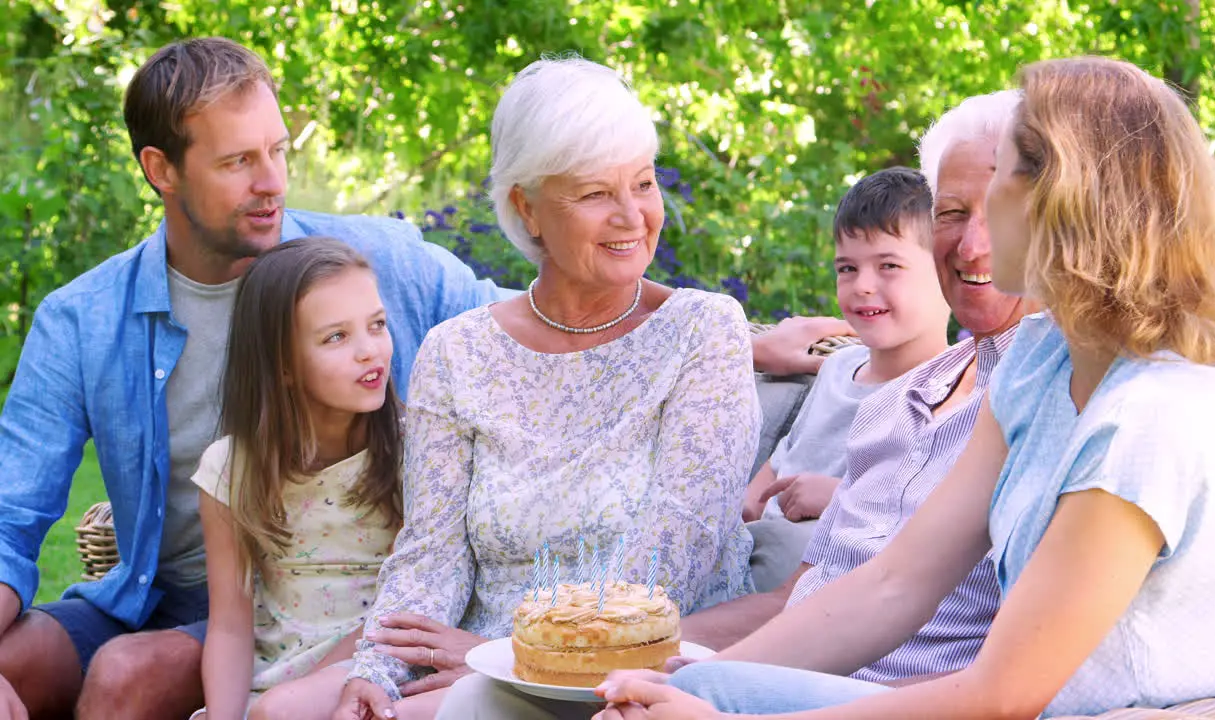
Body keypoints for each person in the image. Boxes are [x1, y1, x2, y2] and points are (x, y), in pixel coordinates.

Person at [595, 56, 1215, 720]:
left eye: (999, 184)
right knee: (676, 697)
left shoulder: (1151, 416)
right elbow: (898, 582)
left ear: (1063, 199)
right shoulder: (1043, 359)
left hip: (1150, 714)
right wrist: (699, 680)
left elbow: (999, 696)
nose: (966, 233)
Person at [437, 90, 1034, 720]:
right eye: (952, 212)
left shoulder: (1056, 393)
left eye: (999, 215)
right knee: (487, 699)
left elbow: (1011, 681)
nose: (971, 246)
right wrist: (685, 678)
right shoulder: (898, 403)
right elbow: (825, 595)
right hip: (801, 681)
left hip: (903, 701)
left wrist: (712, 701)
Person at [0, 37, 508, 720]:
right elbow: (9, 516)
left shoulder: (375, 263)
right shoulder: (82, 320)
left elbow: (523, 331)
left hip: (313, 608)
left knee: (129, 674)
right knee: (13, 662)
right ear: (162, 169)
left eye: (277, 151)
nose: (271, 181)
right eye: (239, 161)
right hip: (154, 595)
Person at [331, 56, 760, 720]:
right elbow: (429, 553)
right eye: (594, 194)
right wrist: (377, 670)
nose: (632, 215)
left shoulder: (704, 332)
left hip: (636, 675)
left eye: (643, 184)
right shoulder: (457, 351)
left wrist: (505, 658)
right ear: (527, 209)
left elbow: (678, 550)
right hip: (470, 660)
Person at [187, 238, 403, 720]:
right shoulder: (230, 470)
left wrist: (296, 697)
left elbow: (401, 605)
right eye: (336, 337)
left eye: (377, 325)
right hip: (272, 681)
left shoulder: (414, 453)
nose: (370, 351)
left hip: (378, 665)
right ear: (282, 365)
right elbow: (228, 625)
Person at [740, 167, 950, 587]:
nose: (862, 286)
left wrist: (839, 495)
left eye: (889, 265)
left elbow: (931, 513)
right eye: (847, 268)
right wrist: (743, 507)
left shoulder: (947, 389)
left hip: (831, 574)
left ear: (947, 270)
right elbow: (785, 456)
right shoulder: (838, 367)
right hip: (761, 550)